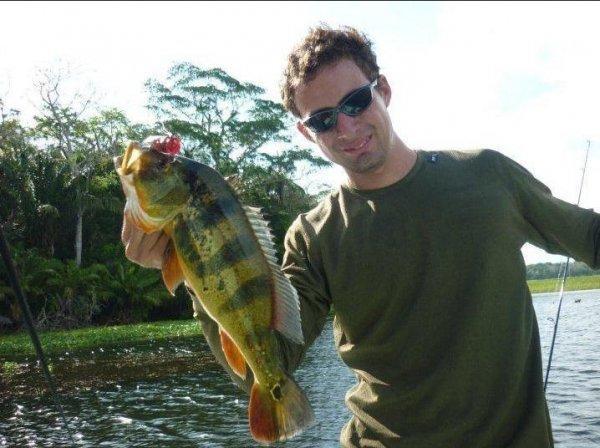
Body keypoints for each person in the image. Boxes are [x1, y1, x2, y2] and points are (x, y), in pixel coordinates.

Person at [122, 26, 600, 448]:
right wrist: (191, 267)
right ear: (307, 133)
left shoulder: (488, 177)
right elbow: (265, 365)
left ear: (383, 90)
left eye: (355, 102)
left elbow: (590, 236)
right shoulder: (312, 237)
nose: (346, 127)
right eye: (323, 119)